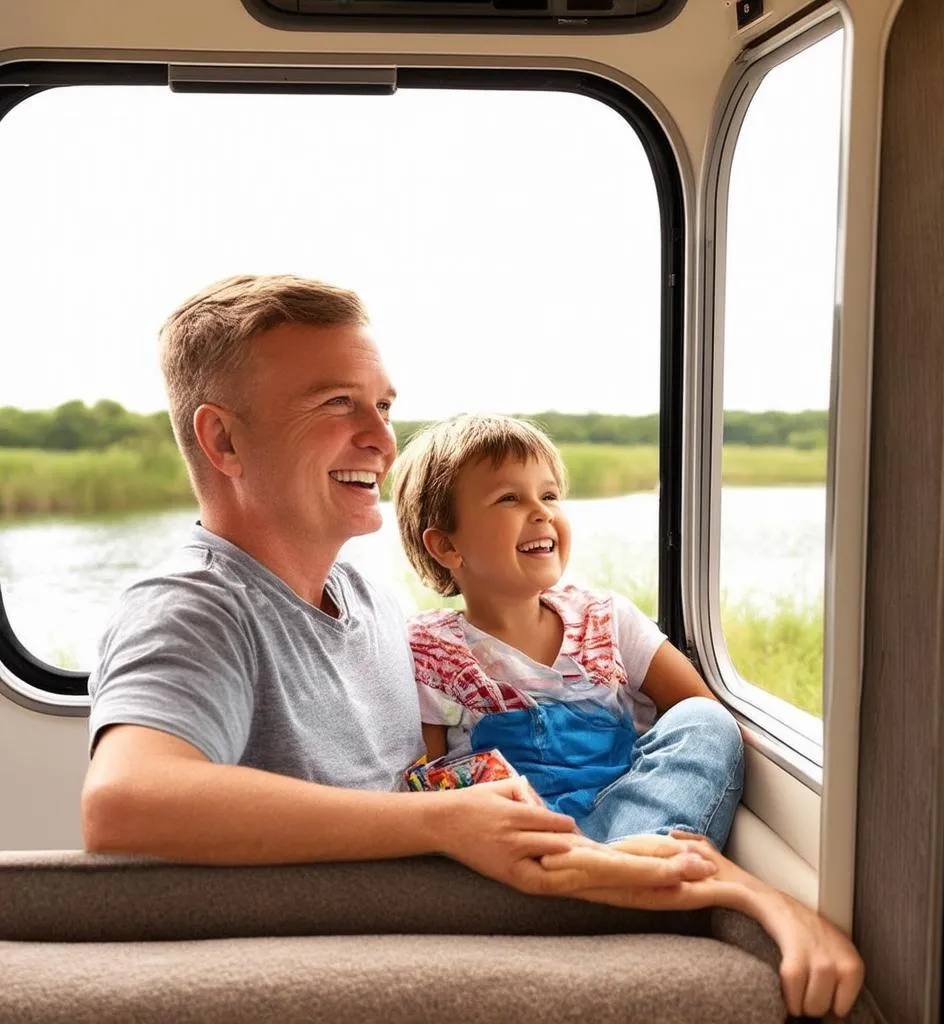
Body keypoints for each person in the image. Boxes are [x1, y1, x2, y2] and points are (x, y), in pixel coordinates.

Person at [80, 274, 863, 1019]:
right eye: (337, 404)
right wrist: (444, 822)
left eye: (384, 406)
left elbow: (442, 777)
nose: (382, 440)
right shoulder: (193, 606)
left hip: (468, 893)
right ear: (222, 438)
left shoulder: (369, 604)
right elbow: (127, 802)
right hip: (395, 938)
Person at [392, 413, 743, 851]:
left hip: (626, 818)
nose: (541, 511)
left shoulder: (606, 619)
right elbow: (428, 784)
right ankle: (629, 873)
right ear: (447, 546)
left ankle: (627, 860)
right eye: (509, 499)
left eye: (550, 495)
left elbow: (696, 707)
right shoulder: (430, 653)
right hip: (522, 841)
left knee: (706, 721)